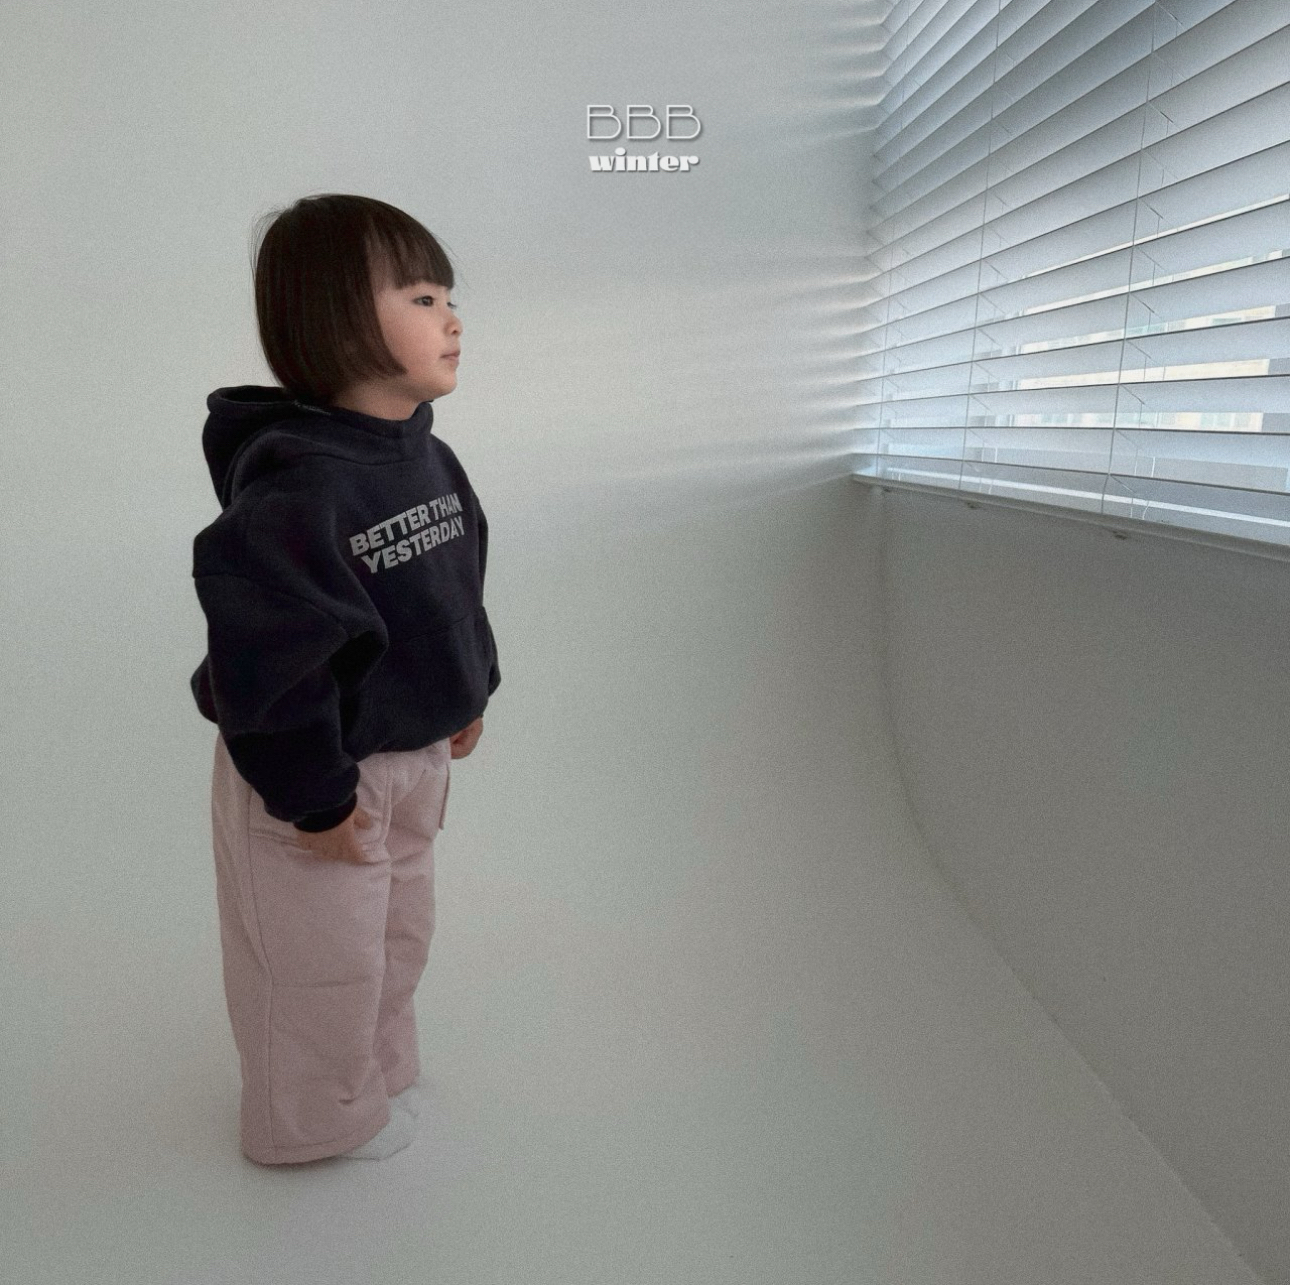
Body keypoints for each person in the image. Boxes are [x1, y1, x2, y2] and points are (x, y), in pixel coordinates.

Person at [188, 193, 501, 1165]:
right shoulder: (298, 491)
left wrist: (467, 690)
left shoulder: (427, 457)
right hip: (318, 772)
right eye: (423, 297)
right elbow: (265, 663)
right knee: (317, 961)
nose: (453, 318)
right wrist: (313, 794)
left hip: (412, 755)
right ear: (335, 319)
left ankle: (375, 1071)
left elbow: (455, 583)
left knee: (396, 931)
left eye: (449, 296)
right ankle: (310, 1124)